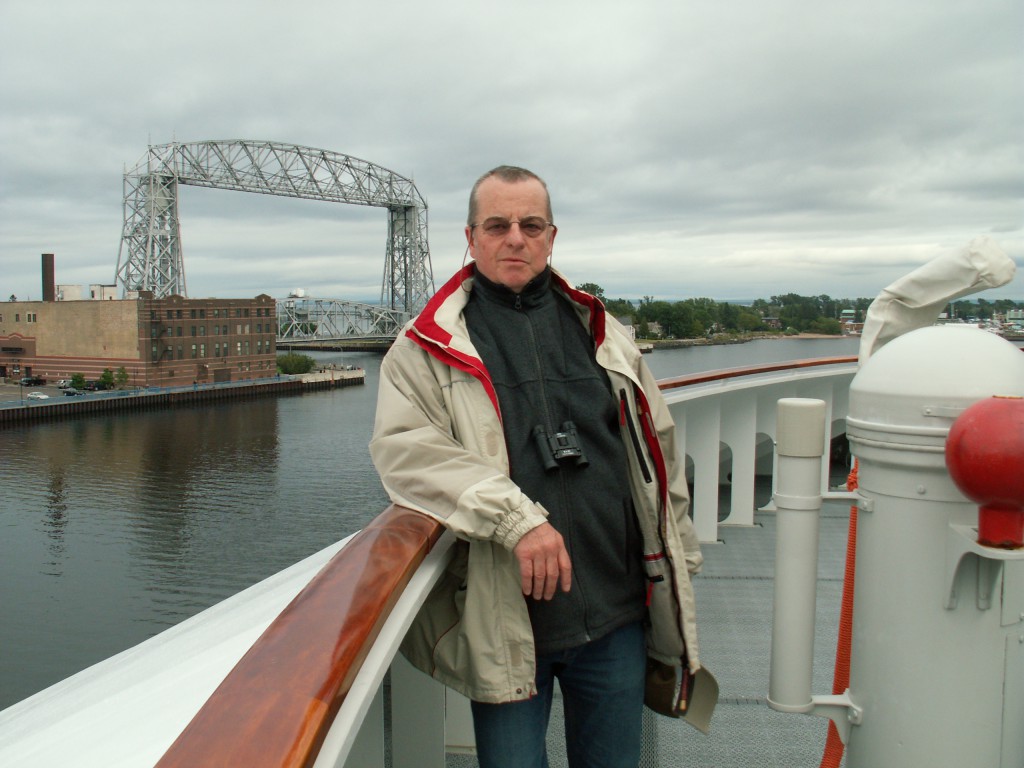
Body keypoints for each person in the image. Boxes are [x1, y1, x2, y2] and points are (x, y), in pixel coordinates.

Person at [370, 166, 713, 768]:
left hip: (615, 610)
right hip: (508, 620)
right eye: (497, 225)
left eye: (530, 225)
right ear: (471, 236)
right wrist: (517, 520)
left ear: (552, 237)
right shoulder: (425, 346)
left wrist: (679, 558)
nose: (515, 239)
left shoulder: (602, 332)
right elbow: (407, 451)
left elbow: (658, 452)